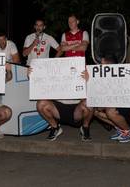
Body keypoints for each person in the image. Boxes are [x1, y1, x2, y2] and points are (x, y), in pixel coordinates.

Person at [36, 14, 93, 142]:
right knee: (41, 103)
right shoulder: (64, 34)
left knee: (90, 101)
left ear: (77, 21)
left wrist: (69, 46)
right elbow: (62, 48)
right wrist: (74, 45)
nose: (70, 23)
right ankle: (55, 127)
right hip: (65, 67)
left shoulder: (84, 33)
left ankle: (85, 127)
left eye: (73, 21)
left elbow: (84, 47)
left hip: (80, 67)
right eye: (68, 21)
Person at [87, 54, 130, 143]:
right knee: (94, 111)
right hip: (115, 105)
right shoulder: (103, 76)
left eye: (101, 63)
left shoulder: (123, 74)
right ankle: (121, 129)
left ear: (108, 64)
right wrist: (88, 80)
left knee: (110, 111)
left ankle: (129, 131)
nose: (99, 66)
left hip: (126, 107)